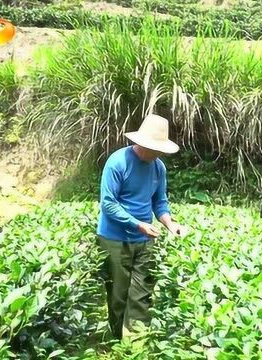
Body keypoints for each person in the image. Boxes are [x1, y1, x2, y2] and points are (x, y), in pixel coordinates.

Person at [96, 114, 188, 339]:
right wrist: (138, 224)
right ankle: (116, 337)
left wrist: (170, 224)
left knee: (141, 292)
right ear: (141, 143)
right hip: (114, 238)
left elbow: (159, 202)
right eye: (154, 148)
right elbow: (108, 203)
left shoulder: (159, 168)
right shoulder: (117, 162)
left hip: (144, 239)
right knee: (118, 293)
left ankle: (134, 342)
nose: (157, 153)